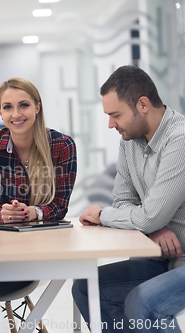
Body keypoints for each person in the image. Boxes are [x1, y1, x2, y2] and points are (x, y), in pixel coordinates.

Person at [72, 65, 185, 333]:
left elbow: (147, 215)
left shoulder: (179, 140)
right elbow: (124, 200)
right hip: (159, 256)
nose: (111, 124)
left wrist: (103, 215)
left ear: (143, 104)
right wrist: (153, 226)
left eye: (115, 115)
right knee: (87, 288)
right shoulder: (129, 141)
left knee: (143, 301)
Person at [0, 77, 77, 297]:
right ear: (0, 112)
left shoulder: (62, 145)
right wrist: (4, 211)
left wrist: (34, 212)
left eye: (24, 105)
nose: (16, 114)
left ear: (37, 107)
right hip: (0, 250)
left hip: (43, 249)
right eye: (8, 107)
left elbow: (60, 206)